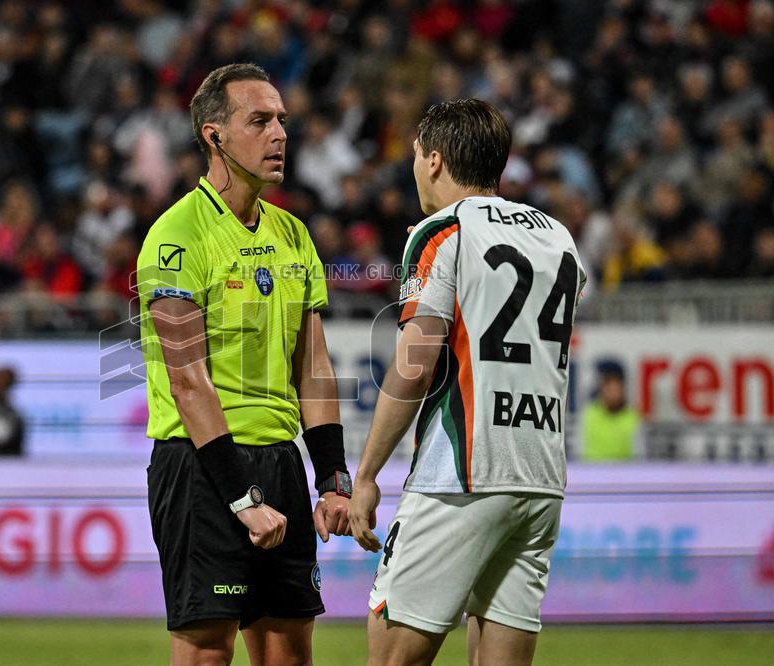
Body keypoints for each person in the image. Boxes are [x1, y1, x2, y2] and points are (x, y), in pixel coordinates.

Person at [348, 100, 586, 666]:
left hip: (461, 474)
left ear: (433, 160)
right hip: (539, 474)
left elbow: (414, 365)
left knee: (391, 659)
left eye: (415, 156)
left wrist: (367, 473)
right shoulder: (558, 237)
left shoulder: (442, 231)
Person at [135, 63, 352, 666]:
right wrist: (241, 497)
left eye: (281, 120)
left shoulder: (294, 235)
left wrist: (332, 478)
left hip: (280, 459)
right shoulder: (177, 236)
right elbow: (188, 381)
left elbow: (313, 368)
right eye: (259, 121)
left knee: (290, 656)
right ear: (215, 136)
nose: (279, 134)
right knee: (208, 653)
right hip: (202, 468)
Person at [581, 360, 641, 461]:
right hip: (592, 468)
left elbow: (639, 455)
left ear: (622, 390)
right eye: (609, 389)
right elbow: (579, 451)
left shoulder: (633, 417)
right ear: (602, 390)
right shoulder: (589, 415)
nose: (613, 394)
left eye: (616, 389)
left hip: (625, 469)